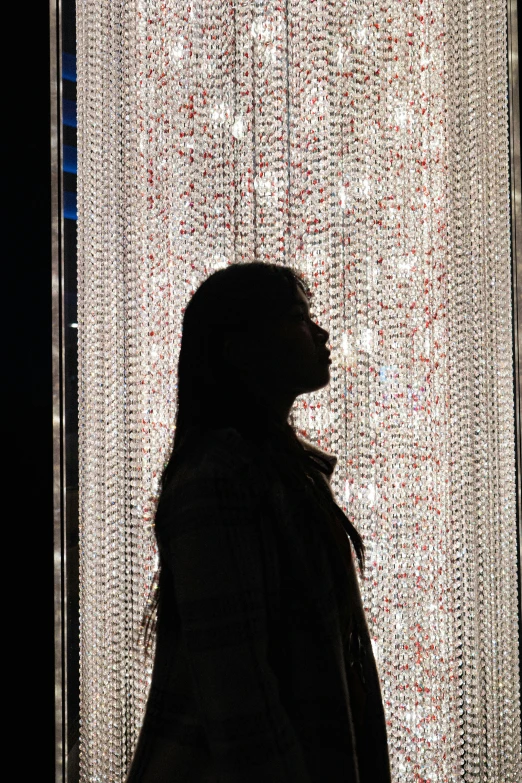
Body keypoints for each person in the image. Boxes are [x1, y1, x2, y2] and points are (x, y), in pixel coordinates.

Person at [125, 261, 391, 782]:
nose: (321, 331)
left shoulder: (282, 473)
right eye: (297, 316)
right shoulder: (217, 480)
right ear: (239, 348)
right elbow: (238, 699)